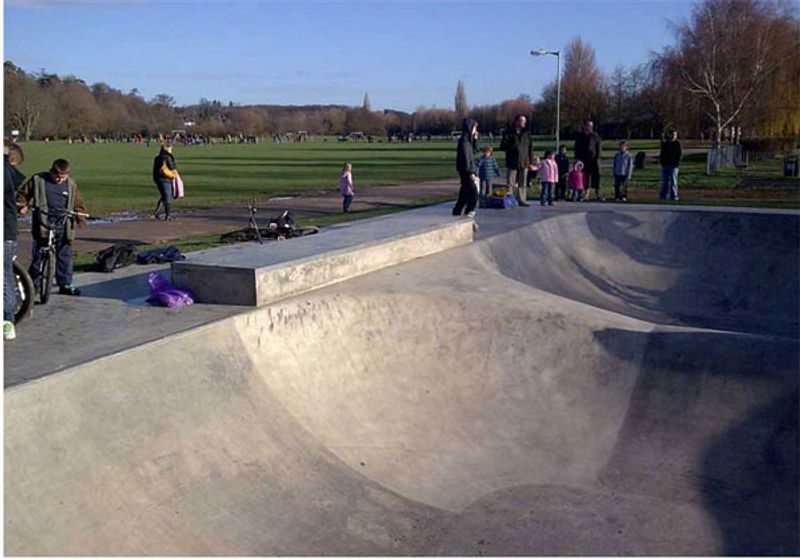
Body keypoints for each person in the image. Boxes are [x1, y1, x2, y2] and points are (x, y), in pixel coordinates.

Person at [16, 159, 87, 297]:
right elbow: (22, 195)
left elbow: (78, 202)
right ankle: (33, 286)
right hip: (42, 222)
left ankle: (65, 284)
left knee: (64, 255)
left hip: (63, 223)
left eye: (63, 177)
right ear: (51, 171)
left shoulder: (71, 184)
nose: (60, 180)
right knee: (38, 255)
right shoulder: (38, 180)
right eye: (57, 177)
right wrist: (22, 206)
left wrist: (79, 216)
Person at [4, 142, 26, 341]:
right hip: (8, 231)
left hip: (5, 231)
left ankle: (7, 320)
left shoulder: (6, 172)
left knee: (4, 277)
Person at [499, 114, 535, 206]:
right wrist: (513, 147)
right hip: (512, 162)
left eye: (525, 121)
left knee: (522, 182)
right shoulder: (509, 133)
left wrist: (531, 162)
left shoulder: (527, 134)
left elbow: (530, 148)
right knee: (510, 183)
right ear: (516, 121)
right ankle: (509, 200)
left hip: (524, 162)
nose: (524, 123)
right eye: (522, 121)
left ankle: (521, 199)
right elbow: (502, 146)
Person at [452, 117, 479, 217]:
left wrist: (475, 140)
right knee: (473, 191)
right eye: (474, 128)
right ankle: (470, 210)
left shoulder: (468, 140)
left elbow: (475, 151)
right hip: (466, 169)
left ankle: (457, 210)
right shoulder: (464, 141)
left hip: (466, 168)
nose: (475, 131)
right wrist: (471, 172)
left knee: (464, 191)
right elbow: (465, 157)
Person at [574, 119, 603, 201]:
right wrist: (577, 159)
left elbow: (599, 147)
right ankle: (585, 193)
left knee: (596, 177)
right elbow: (576, 148)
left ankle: (598, 193)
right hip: (583, 160)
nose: (589, 127)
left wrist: (598, 157)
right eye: (588, 125)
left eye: (591, 126)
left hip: (594, 160)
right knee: (585, 177)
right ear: (585, 126)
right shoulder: (580, 136)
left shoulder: (596, 136)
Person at [152, 143, 177, 220]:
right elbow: (172, 168)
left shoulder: (157, 157)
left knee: (163, 196)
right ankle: (167, 215)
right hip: (165, 179)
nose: (171, 150)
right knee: (167, 197)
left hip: (157, 179)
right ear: (167, 149)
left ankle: (156, 213)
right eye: (170, 149)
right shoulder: (167, 157)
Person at [659, 130, 682, 201]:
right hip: (665, 165)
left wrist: (676, 163)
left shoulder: (677, 144)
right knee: (665, 182)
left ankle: (674, 196)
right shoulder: (665, 144)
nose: (673, 136)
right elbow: (662, 154)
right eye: (672, 134)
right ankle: (663, 196)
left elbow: (679, 155)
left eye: (674, 135)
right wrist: (662, 162)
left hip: (673, 166)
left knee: (674, 181)